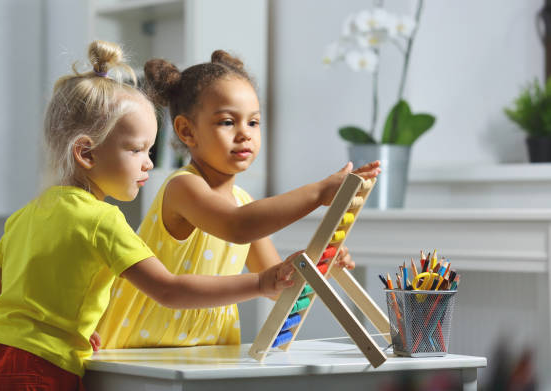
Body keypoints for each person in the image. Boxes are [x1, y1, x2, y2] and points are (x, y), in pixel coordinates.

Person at [0, 41, 299, 390]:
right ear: (87, 153)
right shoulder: (102, 221)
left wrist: (27, 333)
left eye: (149, 150)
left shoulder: (28, 214)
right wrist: (259, 283)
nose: (148, 163)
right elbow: (169, 291)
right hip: (40, 368)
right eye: (137, 150)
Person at [95, 50, 381, 349]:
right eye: (228, 122)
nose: (245, 134)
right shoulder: (183, 187)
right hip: (137, 350)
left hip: (208, 352)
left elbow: (277, 287)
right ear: (186, 131)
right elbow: (237, 226)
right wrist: (319, 192)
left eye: (254, 123)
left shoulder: (242, 201)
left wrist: (321, 261)